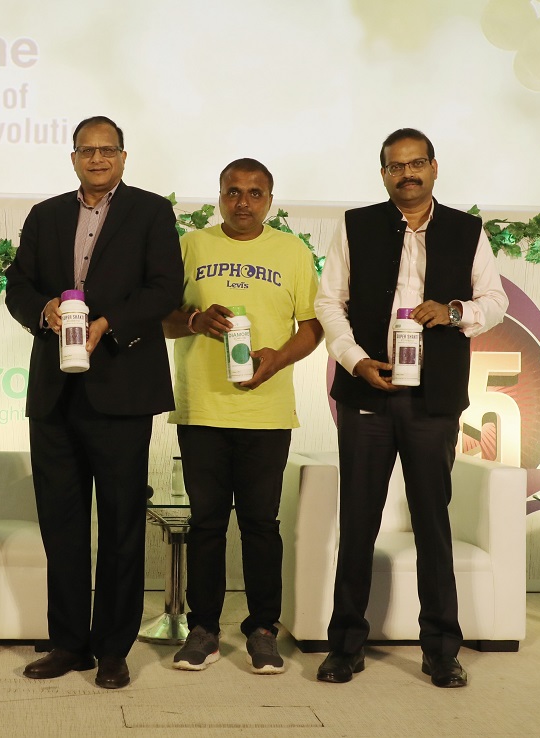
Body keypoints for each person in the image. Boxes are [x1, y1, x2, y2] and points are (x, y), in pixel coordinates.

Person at [313, 128, 508, 688]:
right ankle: (344, 646)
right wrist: (355, 361)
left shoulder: (466, 230)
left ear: (434, 167)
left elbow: (495, 301)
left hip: (434, 399)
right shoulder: (356, 225)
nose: (407, 174)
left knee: (432, 524)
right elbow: (330, 302)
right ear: (383, 174)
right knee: (358, 523)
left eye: (416, 163)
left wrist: (454, 311)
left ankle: (441, 649)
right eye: (396, 167)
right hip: (368, 393)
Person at [4, 115, 183, 689]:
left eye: (108, 150)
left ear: (124, 157)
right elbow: (17, 285)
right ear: (73, 157)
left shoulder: (151, 212)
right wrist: (43, 310)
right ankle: (68, 643)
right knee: (61, 525)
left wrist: (109, 323)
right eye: (87, 150)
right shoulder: (46, 214)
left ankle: (112, 648)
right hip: (55, 393)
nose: (98, 159)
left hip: (122, 388)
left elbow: (165, 288)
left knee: (122, 524)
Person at [162, 159, 322, 675]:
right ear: (219, 196)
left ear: (270, 200)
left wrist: (279, 358)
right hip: (202, 407)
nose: (243, 202)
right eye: (233, 191)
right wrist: (193, 320)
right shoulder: (192, 246)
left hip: (266, 412)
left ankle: (262, 629)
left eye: (255, 193)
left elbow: (312, 325)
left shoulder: (292, 251)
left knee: (260, 525)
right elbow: (161, 319)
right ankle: (204, 629)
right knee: (206, 523)